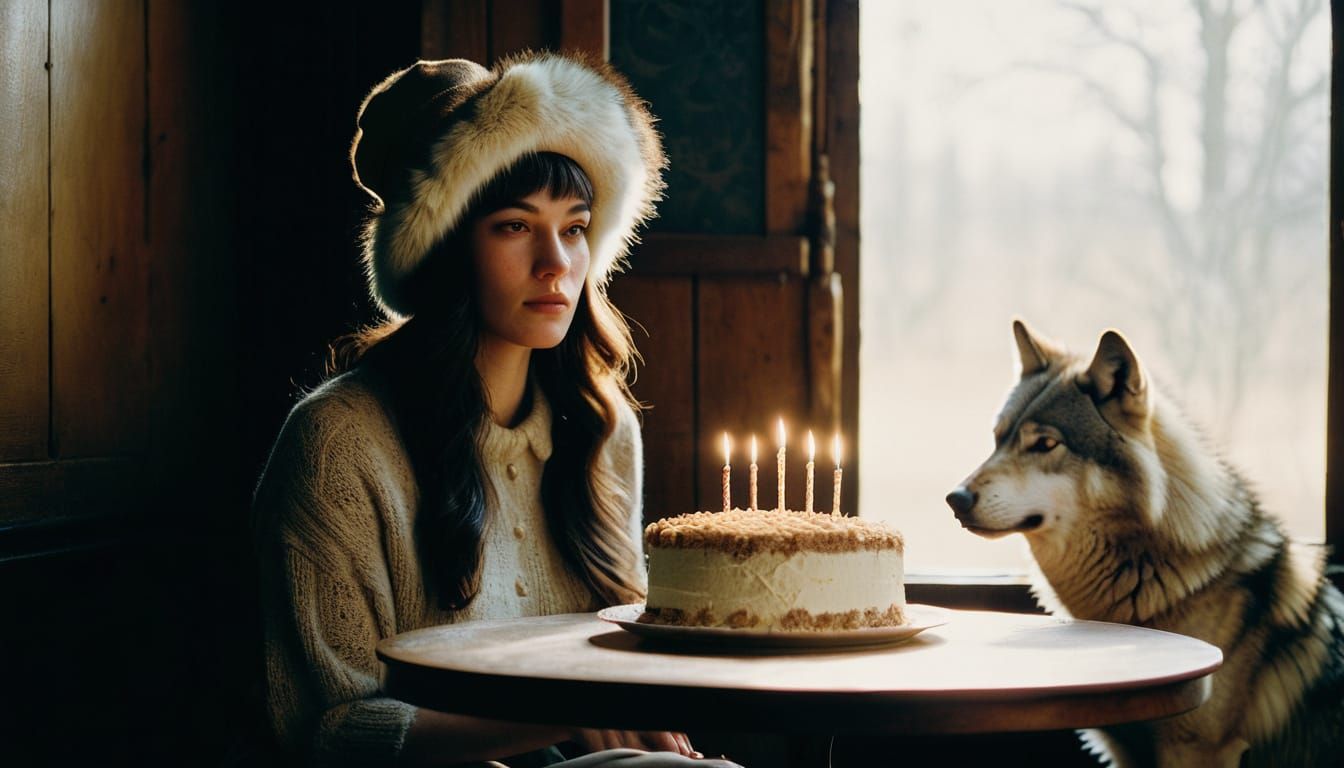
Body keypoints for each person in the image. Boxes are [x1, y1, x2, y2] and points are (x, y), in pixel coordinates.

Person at [252, 53, 742, 768]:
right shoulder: (336, 444)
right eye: (514, 226)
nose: (556, 263)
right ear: (447, 248)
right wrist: (554, 716)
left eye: (574, 228)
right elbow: (327, 730)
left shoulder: (604, 430)